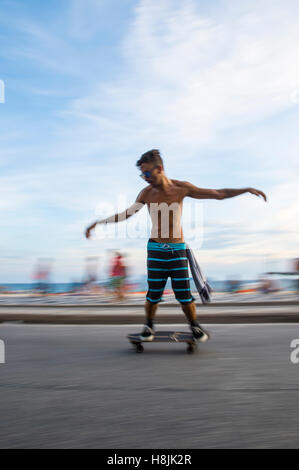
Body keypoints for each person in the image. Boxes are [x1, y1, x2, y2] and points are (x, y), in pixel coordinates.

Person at [85, 149, 267, 342]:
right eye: (142, 175)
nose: (144, 178)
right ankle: (148, 325)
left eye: (147, 173)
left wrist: (245, 189)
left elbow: (218, 194)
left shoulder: (181, 188)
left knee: (184, 295)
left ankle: (195, 326)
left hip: (177, 250)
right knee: (153, 294)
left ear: (160, 169)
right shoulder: (146, 193)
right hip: (155, 249)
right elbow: (127, 213)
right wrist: (99, 222)